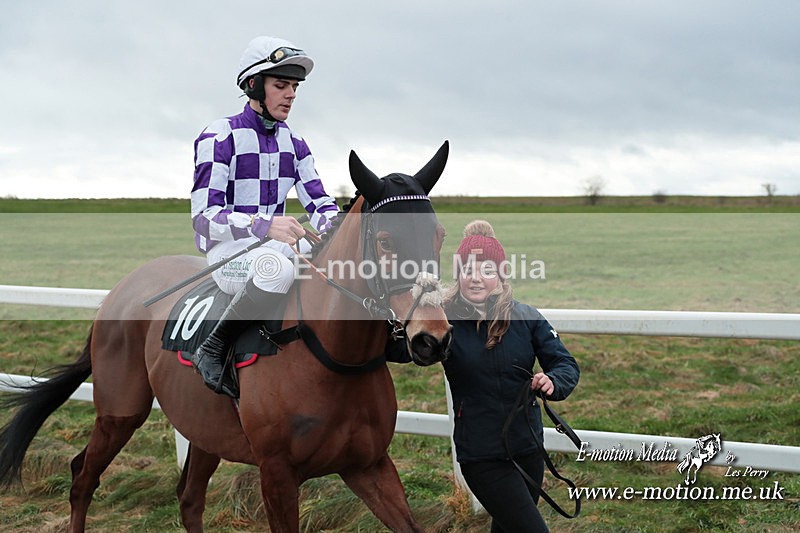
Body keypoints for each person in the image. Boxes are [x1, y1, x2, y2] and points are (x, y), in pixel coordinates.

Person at [190, 36, 339, 398]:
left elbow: (320, 204)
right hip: (231, 255)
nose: (290, 94)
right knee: (278, 270)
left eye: (294, 87)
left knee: (344, 273)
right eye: (280, 85)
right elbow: (203, 219)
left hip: (278, 248)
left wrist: (341, 231)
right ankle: (211, 348)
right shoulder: (219, 136)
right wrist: (265, 225)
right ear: (254, 85)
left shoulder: (296, 143)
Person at [444, 220, 580, 532]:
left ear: (501, 276)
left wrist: (553, 381)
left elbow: (565, 364)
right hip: (482, 456)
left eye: (486, 271)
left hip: (528, 448)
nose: (476, 279)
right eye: (467, 270)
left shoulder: (527, 317)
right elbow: (404, 349)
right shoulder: (445, 321)